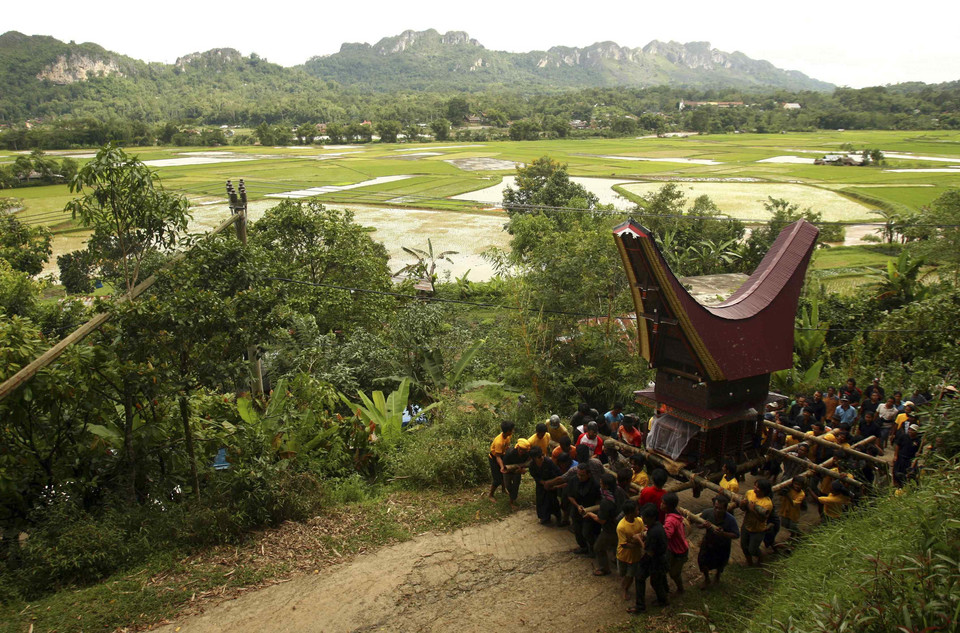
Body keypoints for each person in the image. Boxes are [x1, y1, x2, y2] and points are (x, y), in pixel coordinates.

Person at [629, 503, 669, 613]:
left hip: (655, 560)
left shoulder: (655, 532)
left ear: (651, 518)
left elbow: (649, 552)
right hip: (658, 558)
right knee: (650, 579)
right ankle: (662, 597)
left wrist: (639, 539)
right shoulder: (657, 526)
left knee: (649, 580)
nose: (642, 518)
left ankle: (643, 606)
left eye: (645, 517)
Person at [697, 494, 739, 589]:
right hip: (708, 542)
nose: (717, 510)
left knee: (720, 563)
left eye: (720, 508)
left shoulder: (730, 519)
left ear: (725, 509)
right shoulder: (707, 513)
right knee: (702, 562)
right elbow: (697, 524)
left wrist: (723, 534)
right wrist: (703, 525)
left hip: (722, 545)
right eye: (716, 508)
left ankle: (717, 577)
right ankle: (707, 579)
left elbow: (736, 535)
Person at [583, 473, 620, 576]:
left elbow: (601, 520)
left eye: (601, 483)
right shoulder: (619, 491)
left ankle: (604, 568)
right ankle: (617, 560)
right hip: (620, 524)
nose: (600, 484)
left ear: (606, 486)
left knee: (598, 547)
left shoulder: (606, 501)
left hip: (610, 528)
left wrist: (590, 514)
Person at [567, 463, 602, 555]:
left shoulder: (595, 484)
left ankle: (592, 547)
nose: (579, 477)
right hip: (576, 510)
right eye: (578, 474)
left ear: (589, 475)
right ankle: (583, 547)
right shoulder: (573, 480)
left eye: (582, 475)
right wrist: (577, 505)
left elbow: (598, 500)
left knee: (587, 532)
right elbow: (570, 496)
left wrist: (592, 510)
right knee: (577, 531)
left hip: (589, 512)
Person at [740, 478, 774, 566]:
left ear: (763, 491)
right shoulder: (749, 493)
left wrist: (752, 510)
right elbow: (743, 508)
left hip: (758, 530)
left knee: (752, 549)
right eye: (755, 486)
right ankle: (749, 563)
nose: (754, 489)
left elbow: (762, 519)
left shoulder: (767, 503)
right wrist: (742, 505)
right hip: (746, 525)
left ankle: (760, 558)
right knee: (744, 546)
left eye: (757, 488)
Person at [616, 499, 645, 600]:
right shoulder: (621, 527)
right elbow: (624, 545)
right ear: (630, 513)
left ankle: (625, 589)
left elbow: (643, 533)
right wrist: (638, 543)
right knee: (623, 574)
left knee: (630, 575)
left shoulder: (640, 521)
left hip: (635, 556)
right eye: (636, 510)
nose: (638, 511)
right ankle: (625, 586)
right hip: (623, 555)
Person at [662, 492, 689, 594]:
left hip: (679, 551)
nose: (661, 504)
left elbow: (667, 536)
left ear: (668, 506)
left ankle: (680, 589)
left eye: (663, 503)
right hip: (674, 548)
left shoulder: (670, 520)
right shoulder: (674, 514)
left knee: (674, 573)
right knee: (667, 567)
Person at [527, 446, 561, 525]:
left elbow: (557, 472)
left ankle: (558, 517)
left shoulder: (548, 462)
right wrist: (543, 483)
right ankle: (545, 517)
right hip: (541, 485)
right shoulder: (532, 466)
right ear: (534, 458)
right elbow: (535, 477)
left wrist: (551, 483)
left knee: (553, 501)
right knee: (541, 501)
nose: (542, 457)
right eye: (539, 457)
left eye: (542, 455)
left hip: (552, 483)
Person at [488, 421, 514, 502]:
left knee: (504, 474)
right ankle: (491, 495)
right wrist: (502, 466)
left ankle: (503, 490)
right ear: (507, 431)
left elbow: (506, 446)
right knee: (497, 479)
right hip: (494, 458)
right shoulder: (499, 441)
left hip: (501, 455)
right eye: (512, 430)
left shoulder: (508, 436)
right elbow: (497, 457)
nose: (513, 431)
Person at [502, 438, 530, 510]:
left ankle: (512, 501)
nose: (521, 451)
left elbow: (525, 462)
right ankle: (512, 495)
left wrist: (521, 469)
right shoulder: (510, 453)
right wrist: (516, 470)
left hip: (518, 470)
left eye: (524, 450)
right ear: (517, 447)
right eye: (520, 449)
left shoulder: (526, 454)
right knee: (507, 485)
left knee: (516, 485)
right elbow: (505, 465)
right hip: (508, 470)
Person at [778, 476, 806, 542]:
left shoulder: (801, 494)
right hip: (785, 510)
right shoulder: (789, 489)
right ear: (792, 483)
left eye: (799, 485)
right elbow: (780, 494)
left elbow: (794, 503)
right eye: (795, 484)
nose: (797, 486)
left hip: (794, 513)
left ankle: (797, 534)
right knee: (784, 524)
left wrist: (787, 495)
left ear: (802, 486)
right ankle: (795, 534)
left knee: (792, 526)